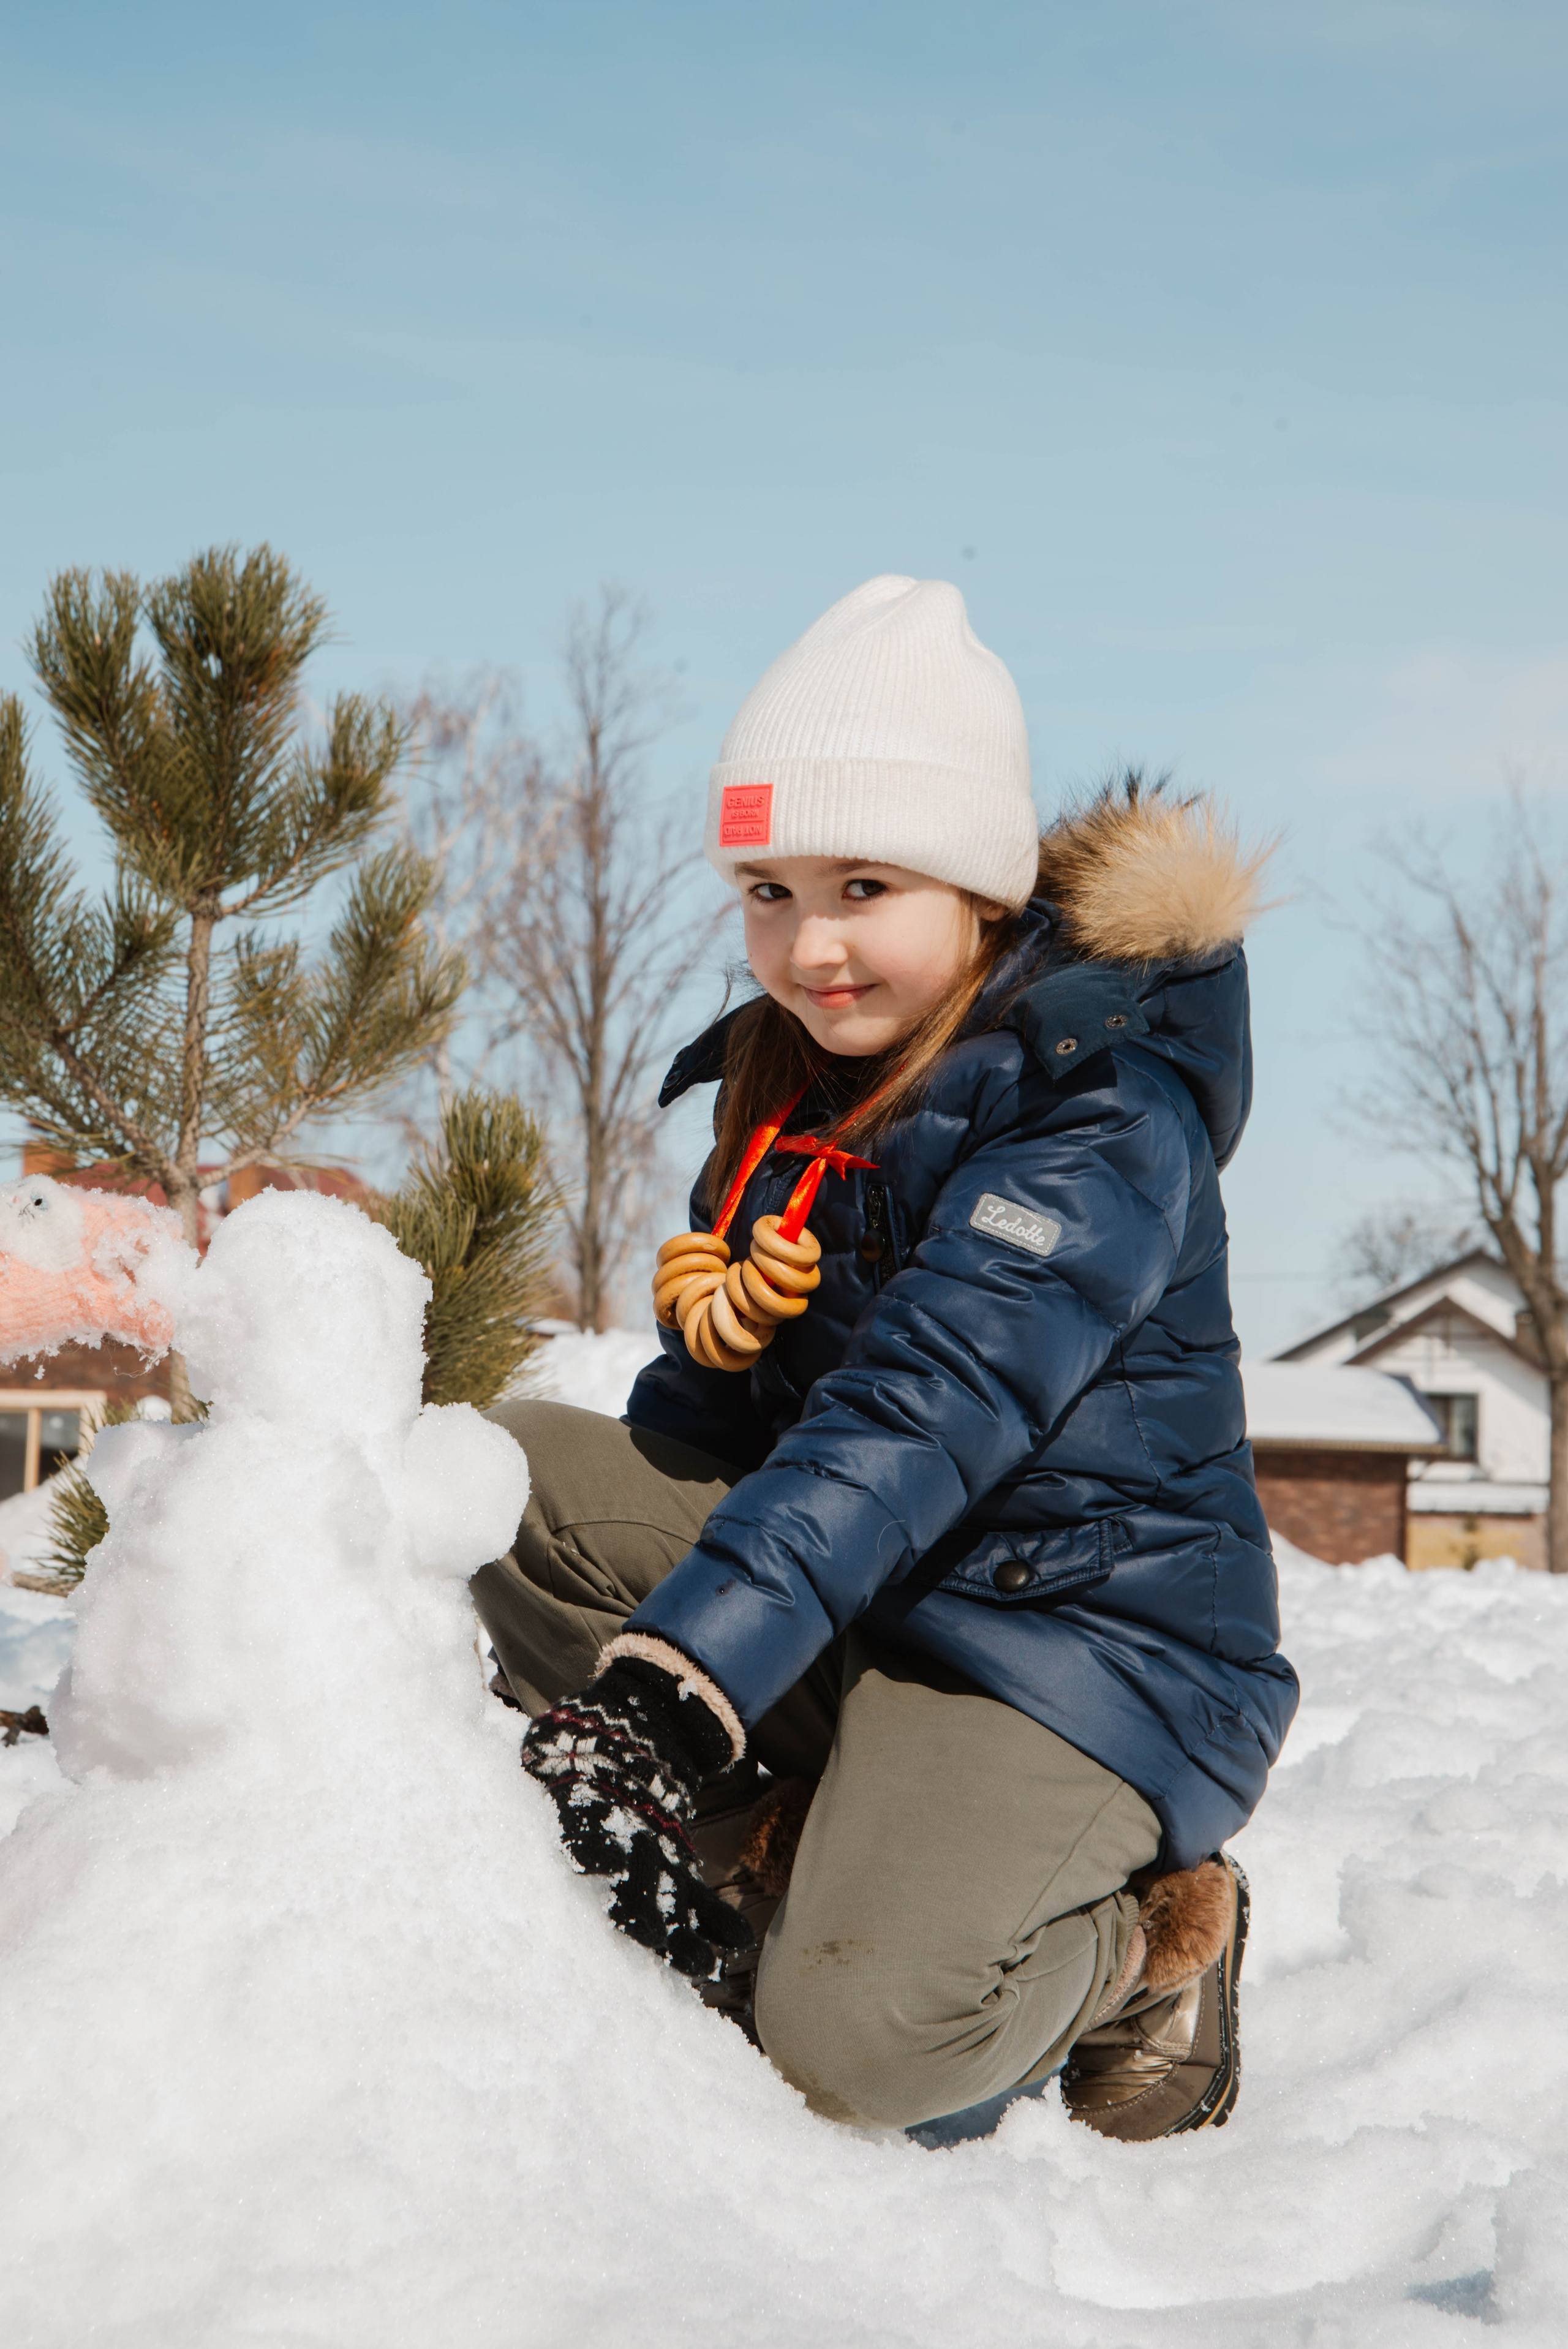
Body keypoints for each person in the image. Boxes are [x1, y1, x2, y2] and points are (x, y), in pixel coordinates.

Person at [475, 574, 1297, 2144]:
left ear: (979, 890)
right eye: (767, 890)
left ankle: (1151, 1951)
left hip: (1078, 1653)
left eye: (862, 884)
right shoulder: (785, 1078)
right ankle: (779, 1832)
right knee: (479, 1483)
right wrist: (660, 1622)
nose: (808, 944)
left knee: (856, 2040)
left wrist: (686, 1674)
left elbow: (921, 1409)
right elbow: (709, 1430)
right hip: (869, 1591)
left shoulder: (1099, 1108)